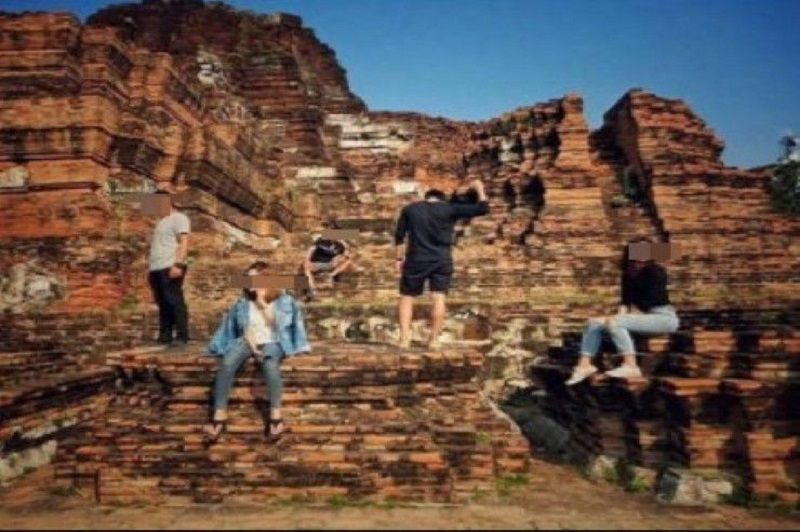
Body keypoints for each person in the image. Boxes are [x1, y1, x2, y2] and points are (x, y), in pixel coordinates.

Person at [203, 261, 311, 441]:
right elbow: (246, 329)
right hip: (250, 341)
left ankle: (276, 416)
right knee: (227, 362)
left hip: (275, 340)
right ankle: (219, 414)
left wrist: (261, 302)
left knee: (269, 363)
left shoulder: (284, 300)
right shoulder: (243, 303)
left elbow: (278, 325)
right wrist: (253, 348)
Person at [566, 239, 680, 385]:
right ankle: (584, 365)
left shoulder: (656, 272)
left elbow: (650, 301)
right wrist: (614, 319)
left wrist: (617, 320)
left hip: (663, 318)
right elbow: (625, 302)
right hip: (641, 317)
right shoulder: (628, 274)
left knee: (615, 322)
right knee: (593, 323)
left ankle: (630, 365)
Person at [394, 179, 490, 350]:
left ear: (426, 197)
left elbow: (399, 236)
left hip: (416, 259)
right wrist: (479, 188)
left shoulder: (410, 209)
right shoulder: (450, 209)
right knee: (438, 298)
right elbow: (483, 208)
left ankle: (404, 339)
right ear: (441, 199)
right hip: (442, 259)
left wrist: (399, 260)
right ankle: (434, 340)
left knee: (407, 297)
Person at [147, 188, 191, 345]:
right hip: (156, 267)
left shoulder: (178, 218)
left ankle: (182, 335)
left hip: (170, 265)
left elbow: (184, 242)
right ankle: (165, 335)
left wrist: (178, 264)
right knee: (163, 303)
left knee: (174, 301)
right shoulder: (161, 222)